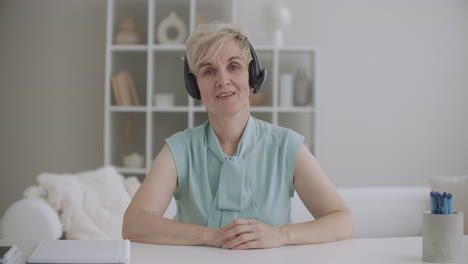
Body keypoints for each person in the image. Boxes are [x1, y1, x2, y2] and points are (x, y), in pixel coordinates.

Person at [122, 22, 354, 250]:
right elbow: (133, 224)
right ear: (194, 86)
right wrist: (211, 236)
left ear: (252, 75)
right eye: (209, 71)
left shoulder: (286, 145)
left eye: (234, 66)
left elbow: (343, 221)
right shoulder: (179, 149)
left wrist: (280, 235)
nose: (223, 80)